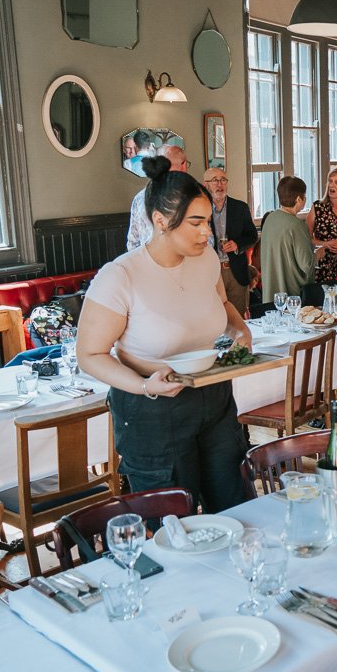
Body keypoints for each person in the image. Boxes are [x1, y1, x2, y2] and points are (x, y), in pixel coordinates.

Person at [78, 156, 251, 512]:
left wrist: (240, 329)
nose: (208, 232)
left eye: (208, 221)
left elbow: (222, 304)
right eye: (196, 223)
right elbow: (89, 355)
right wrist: (144, 386)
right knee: (174, 522)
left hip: (213, 396)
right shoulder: (120, 276)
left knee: (235, 504)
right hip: (152, 408)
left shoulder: (205, 260)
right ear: (160, 221)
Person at [203, 167, 258, 318]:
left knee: (239, 319)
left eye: (223, 180)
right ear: (206, 184)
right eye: (215, 180)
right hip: (211, 272)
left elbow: (252, 235)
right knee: (214, 318)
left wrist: (237, 245)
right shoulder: (201, 208)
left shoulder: (240, 207)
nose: (220, 184)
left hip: (236, 272)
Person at [260, 176, 318, 303]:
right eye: (304, 196)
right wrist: (318, 254)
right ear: (298, 199)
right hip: (292, 298)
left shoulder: (270, 219)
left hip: (270, 294)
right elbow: (306, 265)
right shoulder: (296, 225)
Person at [126, 143, 188, 250]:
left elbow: (133, 242)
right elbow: (203, 239)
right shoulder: (189, 197)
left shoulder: (140, 198)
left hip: (145, 261)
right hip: (179, 262)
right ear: (184, 165)